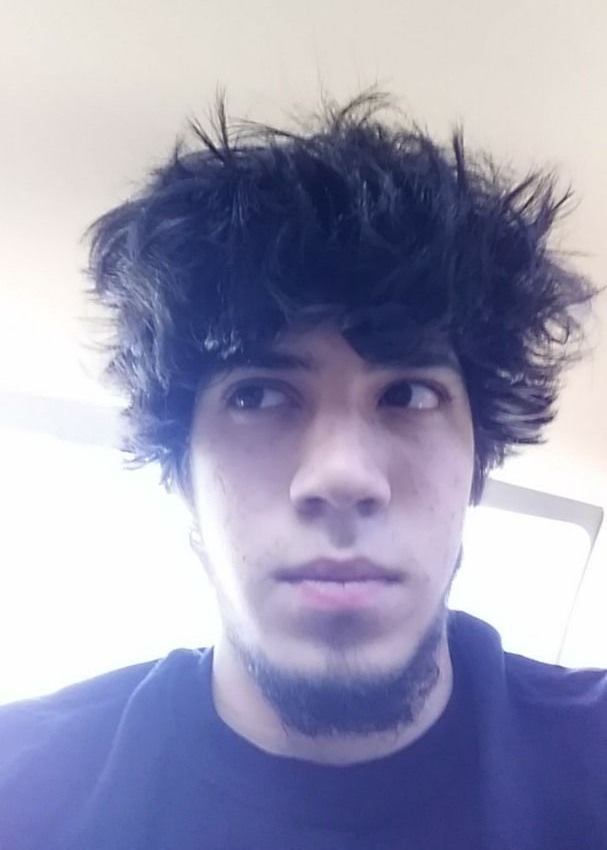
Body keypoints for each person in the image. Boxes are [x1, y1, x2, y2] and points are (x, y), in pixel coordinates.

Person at [1, 93, 605, 849]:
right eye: (257, 396)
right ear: (182, 476)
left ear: (477, 465)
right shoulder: (21, 791)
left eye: (408, 395)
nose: (341, 475)